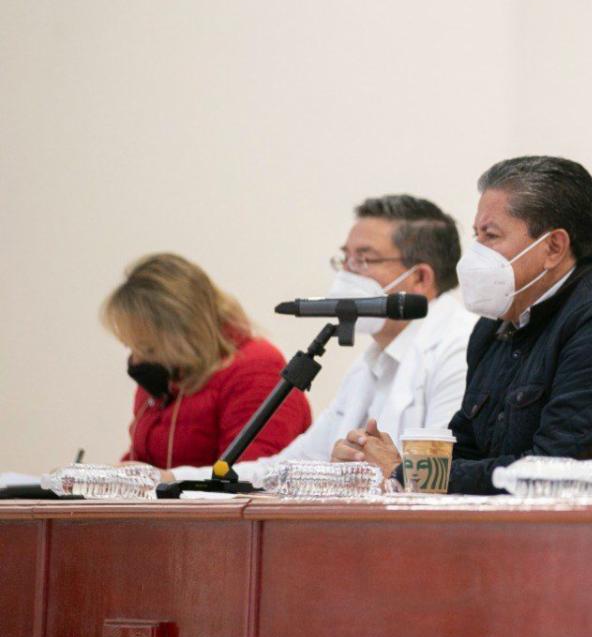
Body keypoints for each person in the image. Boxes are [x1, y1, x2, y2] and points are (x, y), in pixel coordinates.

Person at [335, 156, 592, 493]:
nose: (476, 252)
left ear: (553, 247)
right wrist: (378, 460)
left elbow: (556, 471)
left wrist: (408, 473)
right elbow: (467, 448)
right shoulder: (497, 324)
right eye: (477, 235)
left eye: (490, 236)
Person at [168, 195, 475, 485]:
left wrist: (371, 473)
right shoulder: (369, 364)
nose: (346, 274)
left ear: (420, 278)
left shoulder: (461, 349)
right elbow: (289, 469)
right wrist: (170, 479)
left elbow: (439, 480)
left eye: (363, 260)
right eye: (345, 258)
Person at [103, 253, 311, 470]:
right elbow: (143, 461)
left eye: (149, 349)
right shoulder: (168, 372)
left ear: (186, 333)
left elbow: (249, 475)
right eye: (132, 348)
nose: (137, 360)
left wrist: (164, 480)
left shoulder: (257, 370)